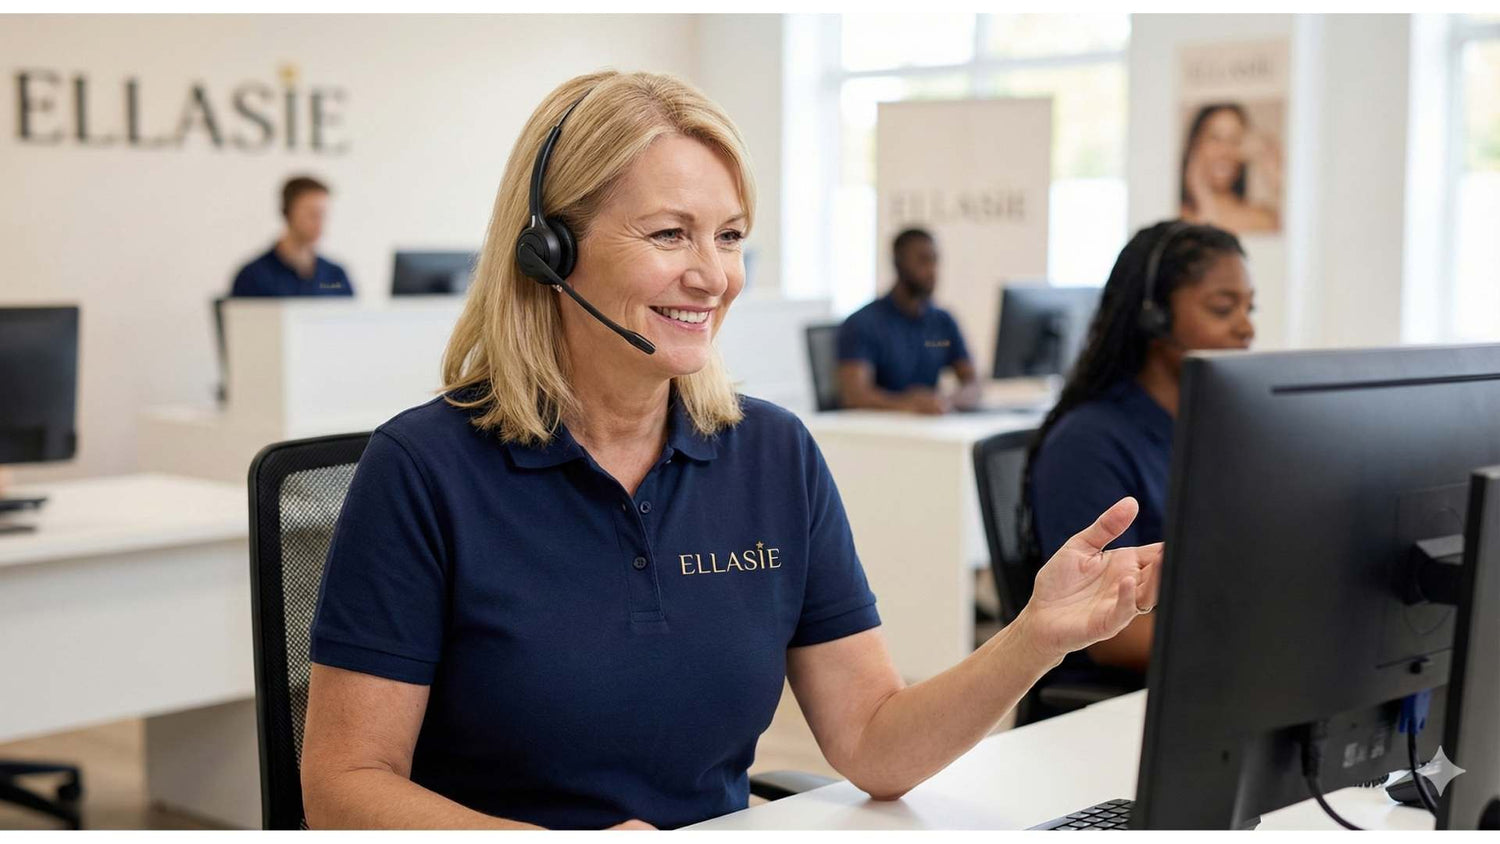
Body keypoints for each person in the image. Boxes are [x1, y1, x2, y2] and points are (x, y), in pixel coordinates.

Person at [299, 70, 1161, 831]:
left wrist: (1036, 637)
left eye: (731, 235)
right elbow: (342, 788)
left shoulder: (772, 454)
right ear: (549, 253)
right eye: (670, 234)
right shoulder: (422, 469)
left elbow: (872, 743)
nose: (714, 276)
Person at [1021, 220, 1253, 680]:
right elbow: (1114, 636)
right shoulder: (1087, 445)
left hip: (1205, 671)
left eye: (1250, 307)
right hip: (1119, 704)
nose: (1246, 327)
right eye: (1224, 308)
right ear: (1155, 318)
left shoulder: (1212, 430)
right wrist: (1259, 654)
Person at [835, 229, 981, 414]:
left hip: (931, 429)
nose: (932, 270)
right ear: (898, 263)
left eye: (935, 260)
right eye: (922, 261)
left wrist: (946, 401)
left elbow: (974, 383)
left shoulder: (943, 322)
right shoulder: (862, 323)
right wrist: (909, 404)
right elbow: (854, 396)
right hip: (879, 432)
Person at [229, 176, 354, 297]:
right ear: (287, 213)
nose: (319, 223)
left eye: (323, 214)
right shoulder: (253, 277)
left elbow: (351, 317)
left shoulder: (335, 276)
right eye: (311, 214)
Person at [1179, 103, 1282, 234]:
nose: (1225, 151)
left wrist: (1271, 170)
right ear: (1195, 145)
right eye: (1215, 138)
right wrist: (1202, 196)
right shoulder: (1177, 216)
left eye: (1234, 140)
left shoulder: (1263, 219)